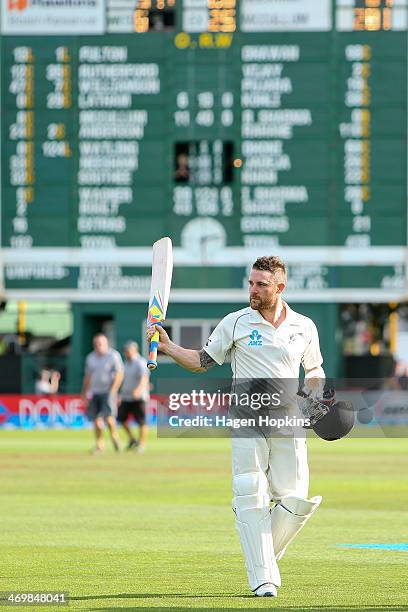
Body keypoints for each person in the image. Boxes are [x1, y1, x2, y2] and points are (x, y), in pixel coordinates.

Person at [147, 256, 325, 597]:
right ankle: (263, 581)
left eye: (261, 284)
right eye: (251, 283)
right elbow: (202, 362)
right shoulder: (235, 322)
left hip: (290, 422)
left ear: (280, 287)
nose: (253, 290)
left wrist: (314, 392)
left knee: (296, 499)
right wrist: (167, 346)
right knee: (250, 494)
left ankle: (261, 562)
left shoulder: (304, 326)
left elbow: (314, 370)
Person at [81, 333, 124, 454]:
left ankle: (115, 437)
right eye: (96, 344)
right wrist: (84, 392)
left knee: (109, 419)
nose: (98, 346)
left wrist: (113, 390)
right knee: (96, 420)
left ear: (106, 344)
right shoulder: (90, 358)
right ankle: (100, 445)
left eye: (100, 343)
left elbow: (119, 374)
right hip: (95, 392)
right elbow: (88, 377)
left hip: (108, 391)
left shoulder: (113, 356)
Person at [118, 341, 150, 452]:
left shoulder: (140, 362)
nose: (126, 352)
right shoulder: (126, 364)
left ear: (134, 350)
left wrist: (138, 390)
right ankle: (132, 439)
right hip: (126, 396)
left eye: (128, 350)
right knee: (121, 418)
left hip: (139, 397)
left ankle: (141, 444)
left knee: (141, 421)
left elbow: (144, 378)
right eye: (125, 351)